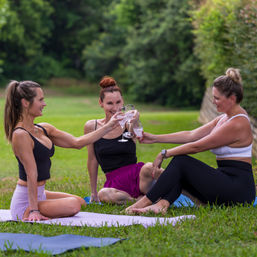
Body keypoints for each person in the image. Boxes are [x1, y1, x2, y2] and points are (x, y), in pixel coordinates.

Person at [125, 68, 256, 214]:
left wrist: (165, 153)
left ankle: (144, 202)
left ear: (232, 98)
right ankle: (161, 205)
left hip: (238, 191)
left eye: (217, 98)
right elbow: (191, 135)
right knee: (180, 170)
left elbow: (197, 146)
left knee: (181, 161)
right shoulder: (225, 118)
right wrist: (154, 138)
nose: (213, 102)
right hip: (226, 182)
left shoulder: (238, 123)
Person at [4, 80, 121, 221]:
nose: (44, 104)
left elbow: (77, 143)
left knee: (80, 201)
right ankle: (30, 208)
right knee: (73, 205)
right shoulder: (20, 134)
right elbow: (31, 174)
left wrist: (109, 126)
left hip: (40, 194)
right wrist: (34, 210)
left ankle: (40, 203)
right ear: (25, 103)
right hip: (26, 203)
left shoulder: (43, 129)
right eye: (40, 100)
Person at [84, 76, 163, 204]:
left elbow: (134, 131)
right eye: (110, 103)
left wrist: (135, 119)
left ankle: (192, 192)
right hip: (115, 183)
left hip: (138, 176)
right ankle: (139, 200)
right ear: (101, 103)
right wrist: (93, 192)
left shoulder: (127, 122)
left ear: (123, 101)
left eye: (118, 102)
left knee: (150, 167)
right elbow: (92, 160)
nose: (115, 108)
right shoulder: (91, 126)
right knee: (104, 194)